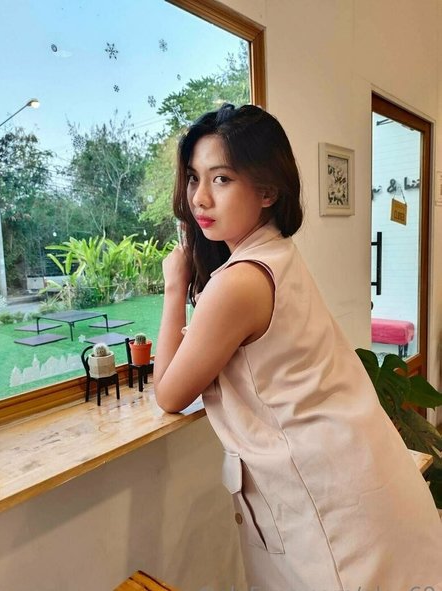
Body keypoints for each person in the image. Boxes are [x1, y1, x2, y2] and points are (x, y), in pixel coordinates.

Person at [154, 104, 442, 590]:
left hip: (337, 512)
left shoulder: (238, 283)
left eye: (221, 179)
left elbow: (168, 393)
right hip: (363, 479)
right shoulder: (275, 252)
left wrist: (173, 285)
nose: (200, 197)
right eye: (194, 178)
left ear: (268, 190)